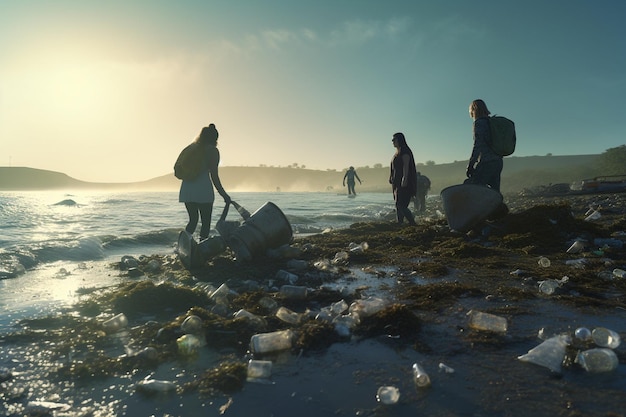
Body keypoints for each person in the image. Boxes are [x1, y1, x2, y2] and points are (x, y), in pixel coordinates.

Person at [179, 124, 231, 240]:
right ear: (215, 138)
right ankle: (202, 247)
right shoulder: (213, 151)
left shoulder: (191, 148)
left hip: (187, 188)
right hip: (203, 190)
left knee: (192, 221)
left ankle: (182, 247)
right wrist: (224, 195)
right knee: (206, 223)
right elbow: (214, 176)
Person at [465, 99, 503, 192]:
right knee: (495, 192)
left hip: (486, 162)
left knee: (473, 188)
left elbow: (478, 145)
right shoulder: (491, 122)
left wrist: (470, 165)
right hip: (498, 161)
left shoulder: (479, 123)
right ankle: (498, 206)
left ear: (474, 110)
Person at [389, 132, 417, 225]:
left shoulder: (404, 151)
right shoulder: (397, 152)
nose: (392, 141)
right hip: (396, 182)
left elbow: (406, 165)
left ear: (399, 140)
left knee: (401, 205)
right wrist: (391, 177)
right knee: (398, 204)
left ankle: (412, 223)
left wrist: (405, 179)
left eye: (394, 139)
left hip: (404, 182)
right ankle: (400, 222)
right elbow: (394, 167)